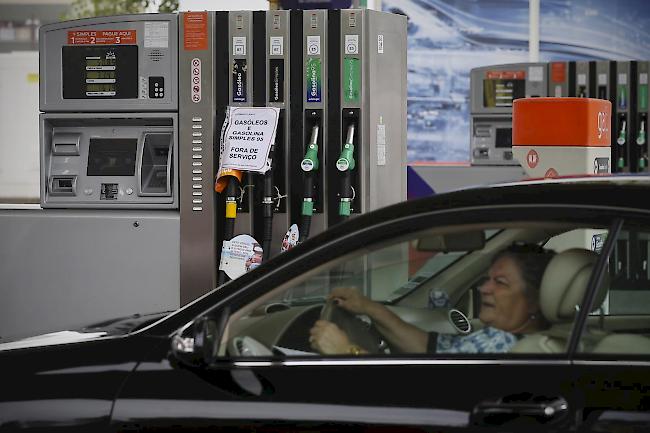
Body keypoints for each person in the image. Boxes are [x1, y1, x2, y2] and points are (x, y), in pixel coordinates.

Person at [309, 243, 556, 355]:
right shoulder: (511, 339)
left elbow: (419, 393)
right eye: (488, 279)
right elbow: (428, 347)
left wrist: (346, 351)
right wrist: (369, 308)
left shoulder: (502, 346)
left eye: (500, 283)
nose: (484, 289)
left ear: (534, 300)